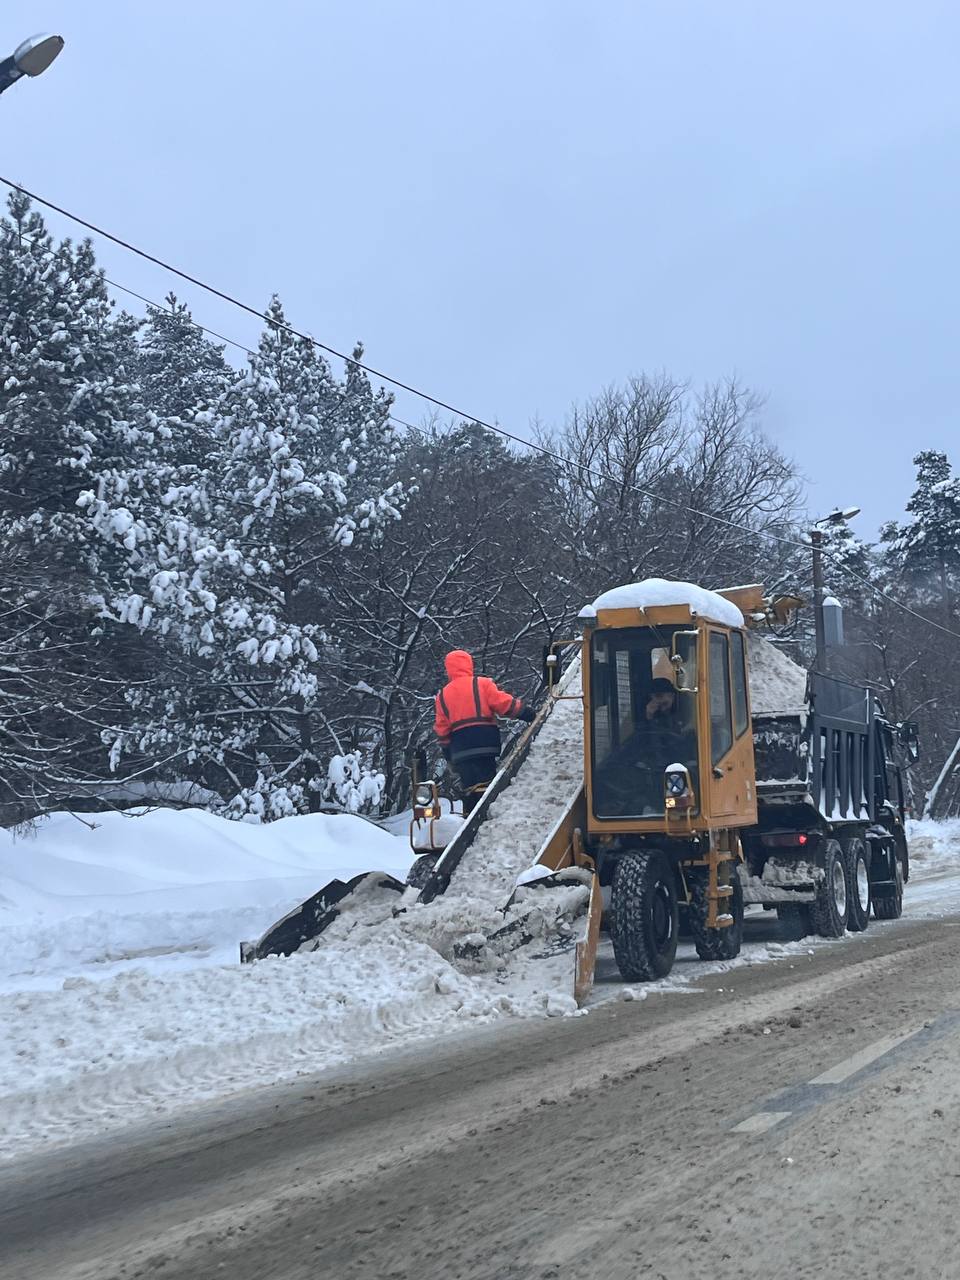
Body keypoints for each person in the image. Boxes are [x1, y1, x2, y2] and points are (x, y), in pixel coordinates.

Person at [434, 649, 535, 813]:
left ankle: (470, 816)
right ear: (469, 665)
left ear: (448, 669)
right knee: (487, 784)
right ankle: (490, 812)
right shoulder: (481, 684)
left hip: (460, 750)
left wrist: (447, 753)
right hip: (485, 743)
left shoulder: (442, 696)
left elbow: (442, 729)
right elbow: (504, 704)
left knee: (470, 786)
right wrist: (527, 713)